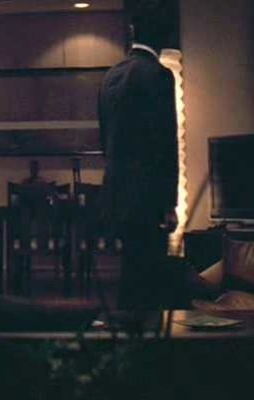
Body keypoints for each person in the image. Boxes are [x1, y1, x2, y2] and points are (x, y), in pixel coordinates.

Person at [98, 2, 179, 309]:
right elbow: (164, 141)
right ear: (163, 38)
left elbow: (105, 140)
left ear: (133, 32)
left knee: (130, 271)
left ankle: (126, 328)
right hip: (148, 194)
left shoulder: (111, 76)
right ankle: (144, 332)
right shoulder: (158, 75)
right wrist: (169, 203)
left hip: (117, 193)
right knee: (148, 275)